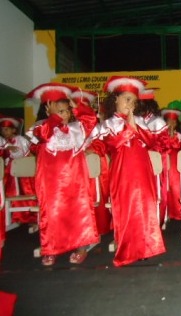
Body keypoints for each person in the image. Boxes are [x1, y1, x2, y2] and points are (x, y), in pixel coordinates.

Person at [25, 83, 99, 266]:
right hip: (51, 183)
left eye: (66, 111)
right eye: (59, 111)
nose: (64, 115)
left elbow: (91, 120)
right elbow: (44, 134)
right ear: (47, 108)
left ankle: (82, 246)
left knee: (79, 212)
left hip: (76, 180)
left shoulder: (76, 129)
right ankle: (51, 249)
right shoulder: (40, 127)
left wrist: (78, 107)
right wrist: (54, 118)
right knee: (52, 213)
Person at [99, 76, 165, 267]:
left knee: (145, 205)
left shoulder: (140, 121)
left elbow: (151, 142)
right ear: (116, 100)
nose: (130, 104)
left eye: (134, 101)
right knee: (127, 207)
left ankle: (146, 247)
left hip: (142, 168)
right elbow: (112, 145)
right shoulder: (109, 123)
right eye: (127, 99)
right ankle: (128, 248)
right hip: (123, 170)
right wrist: (129, 127)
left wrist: (135, 125)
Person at [71, 89, 112, 236]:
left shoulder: (97, 126)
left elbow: (104, 143)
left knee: (97, 193)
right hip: (76, 165)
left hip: (96, 161)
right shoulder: (70, 127)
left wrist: (90, 150)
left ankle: (99, 226)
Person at [136, 89, 169, 226]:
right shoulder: (136, 120)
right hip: (138, 161)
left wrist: (149, 149)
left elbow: (164, 144)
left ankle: (155, 220)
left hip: (155, 161)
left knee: (156, 191)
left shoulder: (158, 122)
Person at [0, 116, 37, 225]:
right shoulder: (3, 142)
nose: (4, 132)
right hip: (8, 172)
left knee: (23, 190)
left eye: (6, 129)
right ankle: (11, 216)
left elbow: (27, 154)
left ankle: (26, 215)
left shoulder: (20, 140)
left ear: (14, 130)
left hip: (21, 173)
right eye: (2, 130)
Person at [160, 109, 181, 221]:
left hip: (176, 163)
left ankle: (178, 211)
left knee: (176, 185)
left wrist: (173, 138)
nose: (171, 124)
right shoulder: (161, 135)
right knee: (164, 186)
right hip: (164, 162)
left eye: (174, 122)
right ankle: (164, 211)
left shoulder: (179, 135)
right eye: (169, 121)